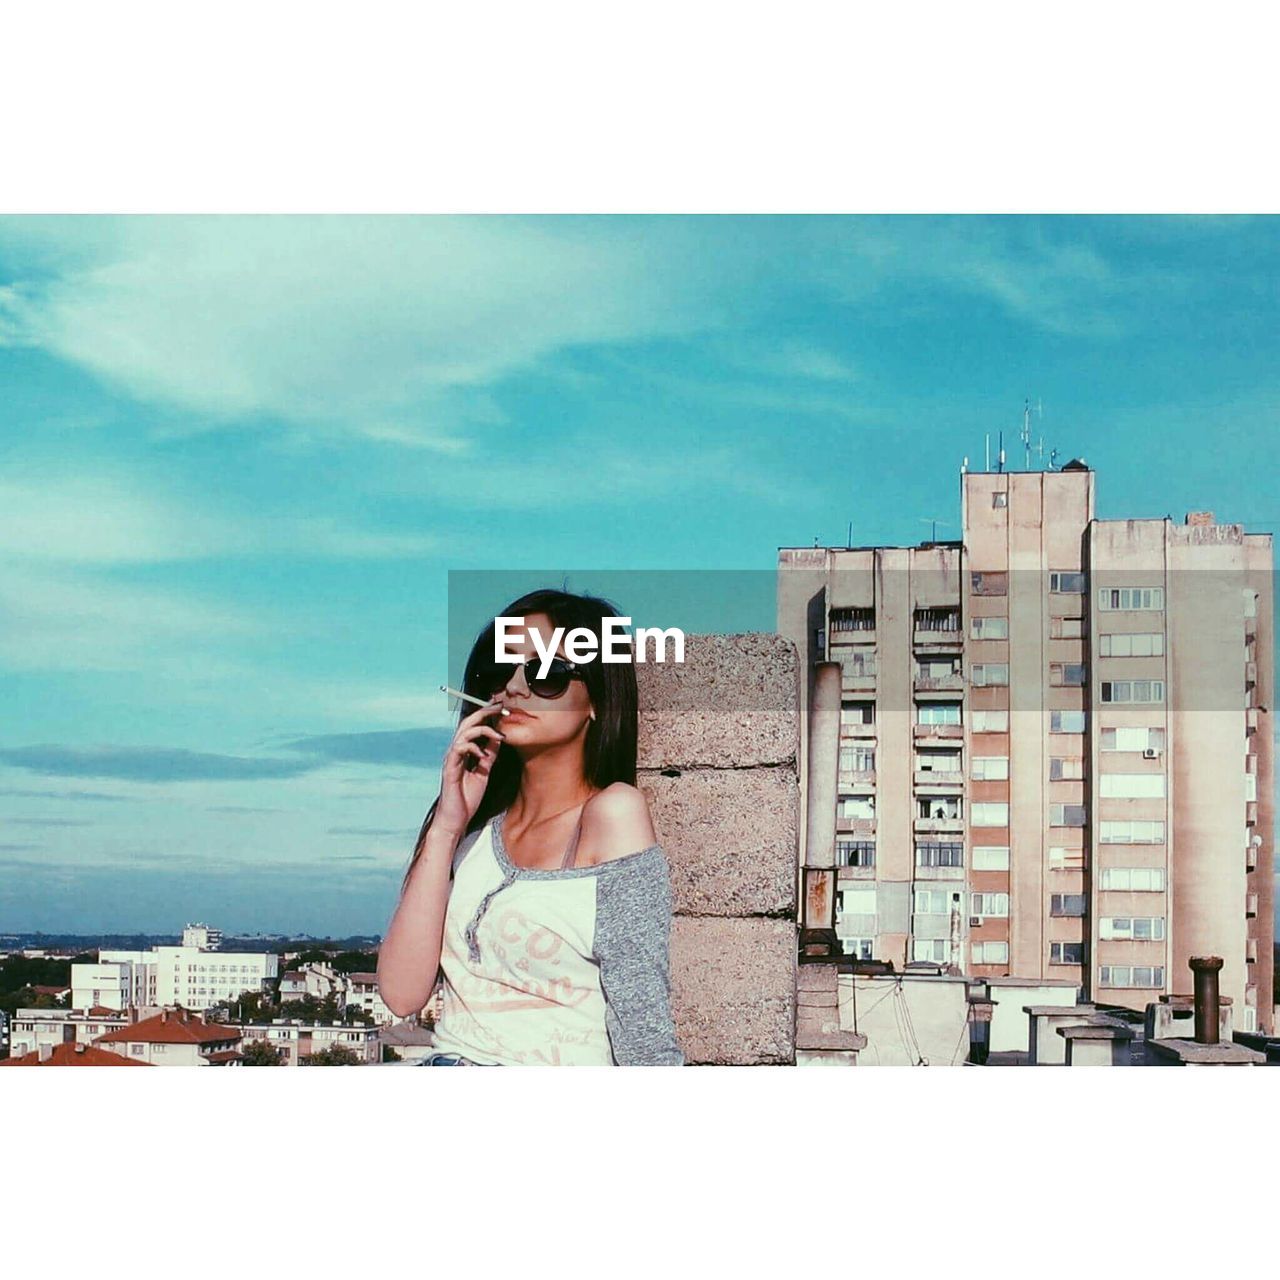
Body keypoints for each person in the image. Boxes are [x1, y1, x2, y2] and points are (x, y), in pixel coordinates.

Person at [376, 588, 684, 1066]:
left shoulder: (612, 814)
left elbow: (641, 1014)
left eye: (547, 674)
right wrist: (445, 827)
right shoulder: (474, 833)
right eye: (501, 670)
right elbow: (401, 994)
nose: (514, 687)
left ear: (597, 700)